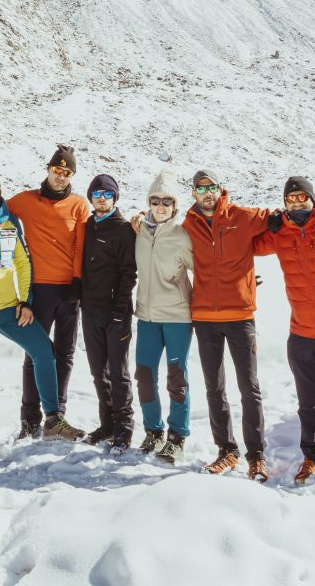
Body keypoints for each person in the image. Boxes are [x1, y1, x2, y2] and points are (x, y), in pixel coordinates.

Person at [0, 168, 83, 459]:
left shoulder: (10, 222)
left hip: (10, 309)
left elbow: (23, 263)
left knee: (44, 351)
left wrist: (26, 301)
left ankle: (53, 419)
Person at [254, 177, 315, 485]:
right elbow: (246, 246)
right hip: (301, 333)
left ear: (313, 199)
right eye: (291, 199)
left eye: (302, 198)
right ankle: (311, 456)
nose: (297, 203)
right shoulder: (279, 232)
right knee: (307, 402)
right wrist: (261, 222)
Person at [183, 170, 270, 481]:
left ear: (220, 189)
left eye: (212, 187)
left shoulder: (242, 216)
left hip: (240, 316)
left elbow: (279, 220)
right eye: (201, 189)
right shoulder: (188, 225)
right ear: (193, 193)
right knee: (214, 388)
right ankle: (227, 450)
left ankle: (256, 455)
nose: (207, 193)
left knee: (250, 387)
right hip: (205, 318)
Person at [8, 145, 89, 438]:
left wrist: (78, 280)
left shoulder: (79, 205)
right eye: (57, 170)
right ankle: (29, 419)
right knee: (36, 352)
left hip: (69, 291)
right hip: (39, 290)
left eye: (67, 173)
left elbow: (80, 244)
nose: (61, 177)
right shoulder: (26, 201)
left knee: (65, 354)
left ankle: (57, 418)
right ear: (48, 169)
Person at [133, 171, 194, 464]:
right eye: (155, 200)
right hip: (146, 316)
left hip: (178, 317)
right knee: (144, 376)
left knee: (176, 377)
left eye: (166, 201)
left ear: (174, 206)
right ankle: (153, 431)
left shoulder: (183, 237)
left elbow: (207, 271)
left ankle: (177, 437)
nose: (160, 206)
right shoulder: (140, 231)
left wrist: (239, 282)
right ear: (148, 203)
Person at [80, 174, 137, 454]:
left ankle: (124, 429)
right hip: (90, 310)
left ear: (115, 199)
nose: (101, 199)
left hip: (117, 312)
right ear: (91, 198)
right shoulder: (88, 225)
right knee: (97, 371)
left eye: (107, 195)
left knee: (118, 372)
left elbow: (129, 273)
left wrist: (120, 308)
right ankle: (107, 424)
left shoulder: (123, 229)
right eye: (97, 194)